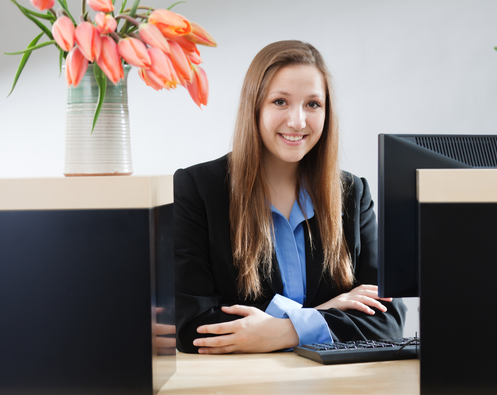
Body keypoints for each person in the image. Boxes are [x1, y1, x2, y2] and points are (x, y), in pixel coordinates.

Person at [172, 40, 406, 354]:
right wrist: (323, 313)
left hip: (337, 392)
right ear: (255, 106)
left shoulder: (353, 194)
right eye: (280, 102)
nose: (298, 121)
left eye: (313, 104)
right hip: (243, 391)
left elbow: (388, 321)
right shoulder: (198, 189)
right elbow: (193, 327)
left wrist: (286, 330)